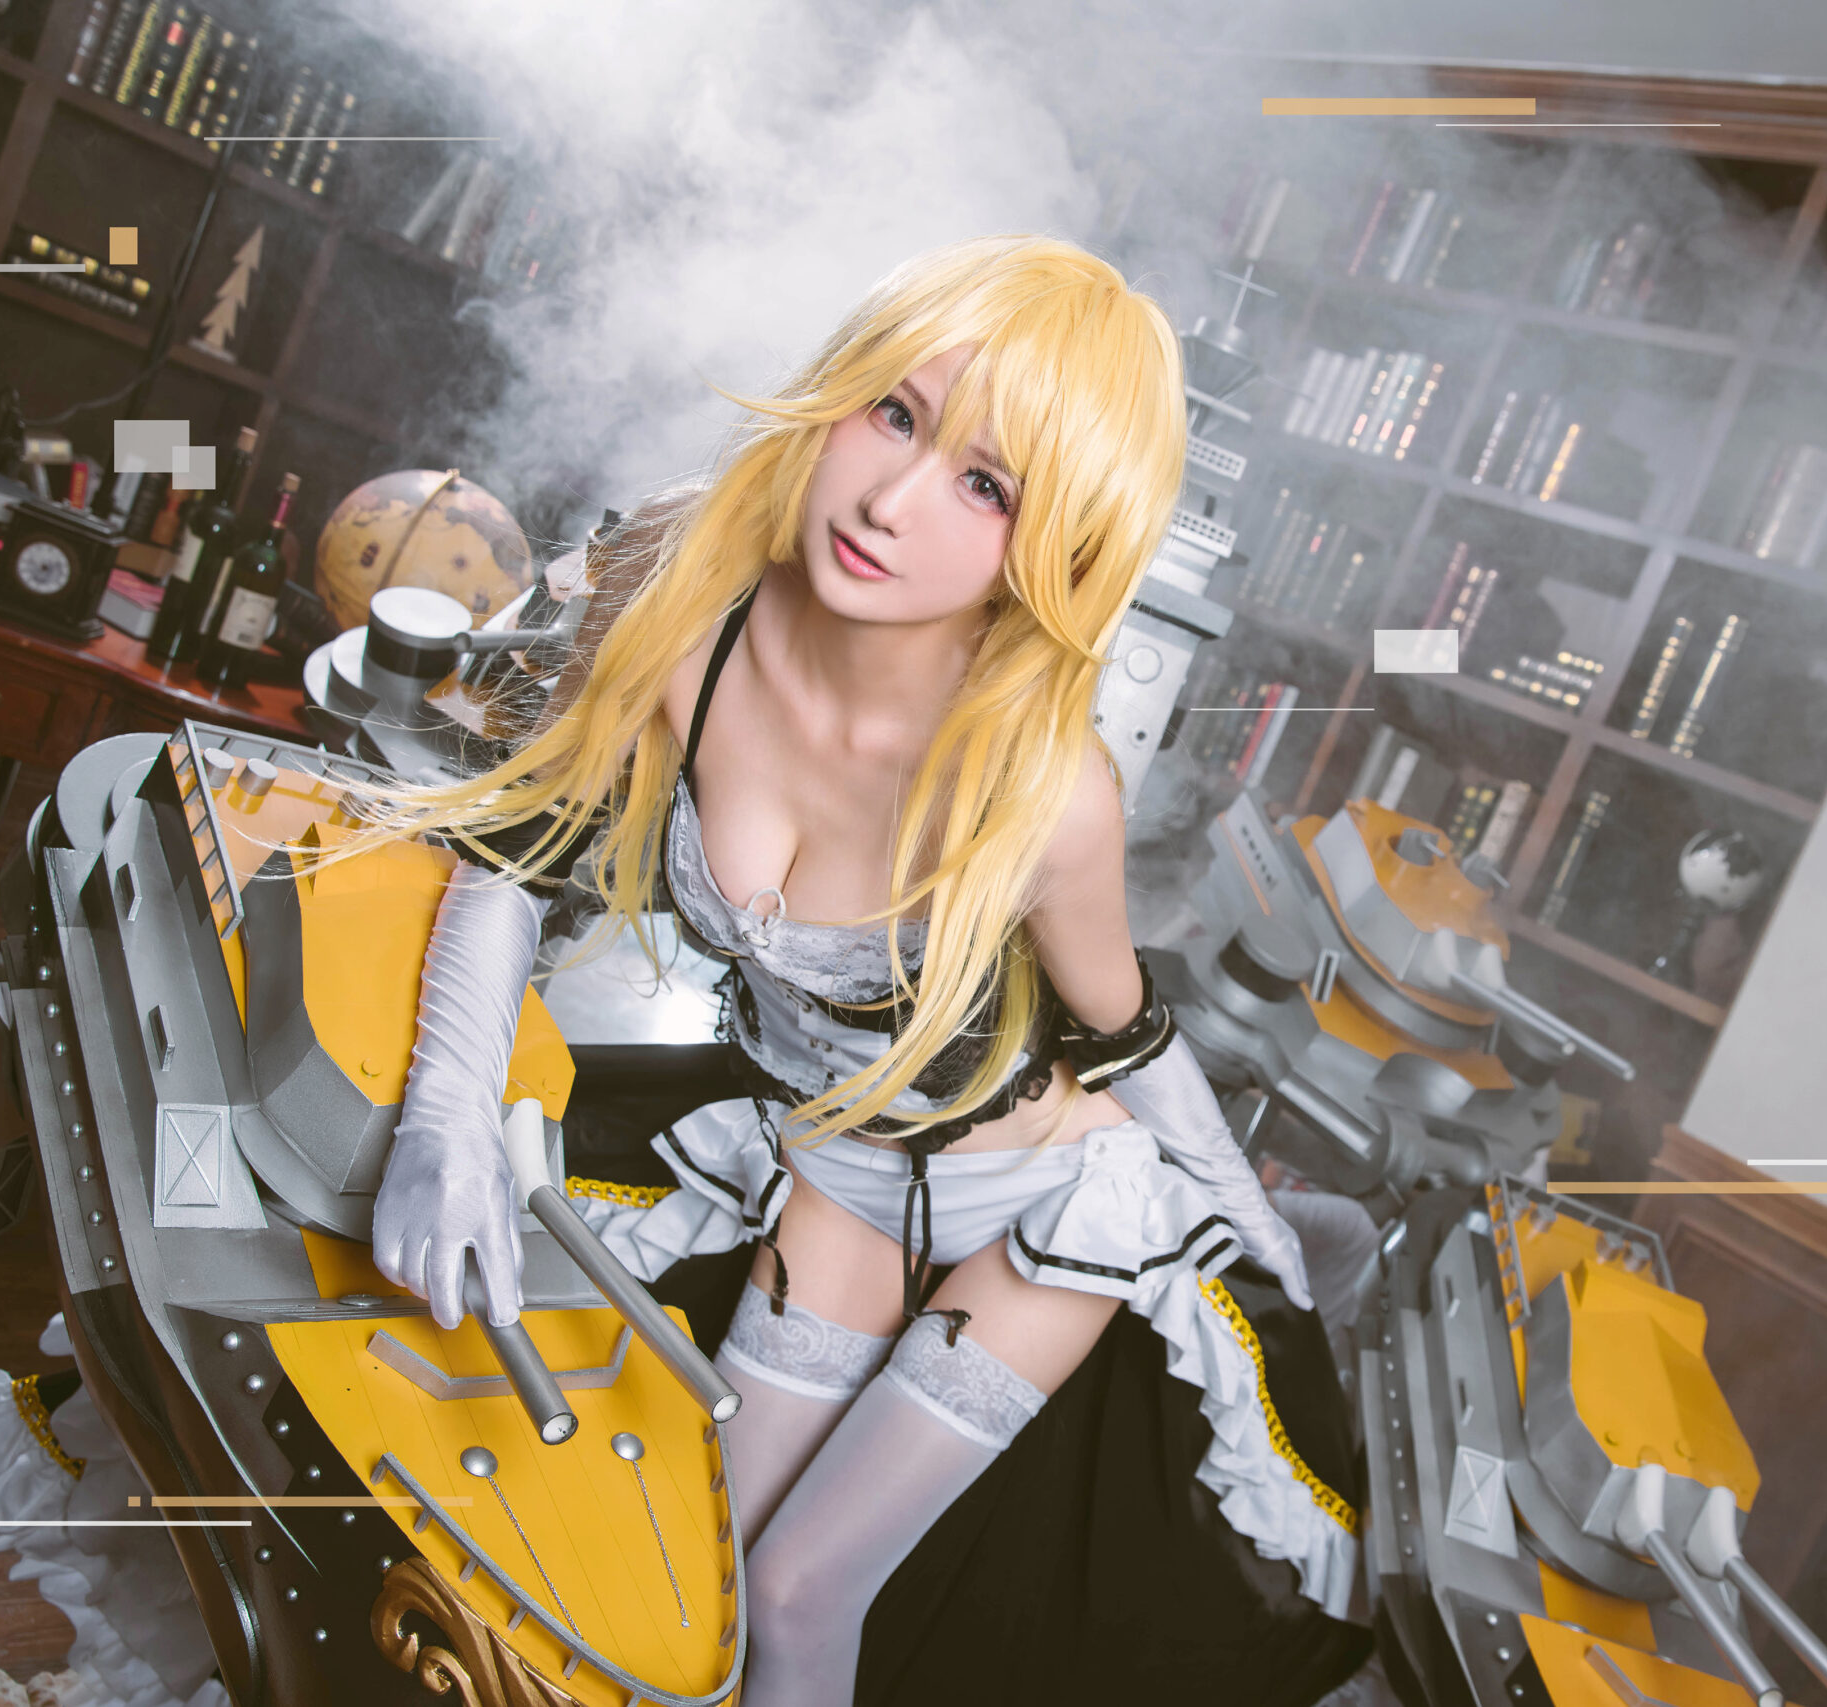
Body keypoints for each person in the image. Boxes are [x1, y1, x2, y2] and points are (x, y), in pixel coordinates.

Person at [350, 234, 1370, 1706]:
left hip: (1042, 1200)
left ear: (1056, 547)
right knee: (689, 1569)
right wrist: (445, 1117)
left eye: (987, 486)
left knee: (799, 1593)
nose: (892, 502)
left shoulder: (1047, 795)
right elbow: (516, 845)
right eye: (896, 414)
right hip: (834, 1172)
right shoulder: (673, 585)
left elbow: (1124, 1032)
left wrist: (1240, 1222)